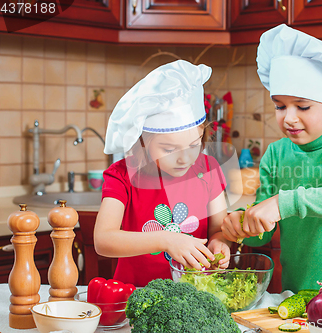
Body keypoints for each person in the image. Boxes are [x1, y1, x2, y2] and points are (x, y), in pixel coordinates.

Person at [221, 24, 322, 295]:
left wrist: (286, 202)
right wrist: (244, 222)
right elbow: (265, 233)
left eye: (303, 106)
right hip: (295, 297)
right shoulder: (276, 153)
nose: (289, 118)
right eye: (279, 106)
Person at [95, 60, 232, 287]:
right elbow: (103, 240)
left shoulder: (208, 170)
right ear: (143, 142)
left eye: (193, 145)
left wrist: (220, 243)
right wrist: (166, 240)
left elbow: (219, 230)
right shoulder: (122, 176)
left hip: (194, 296)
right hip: (133, 294)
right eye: (169, 149)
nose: (185, 158)